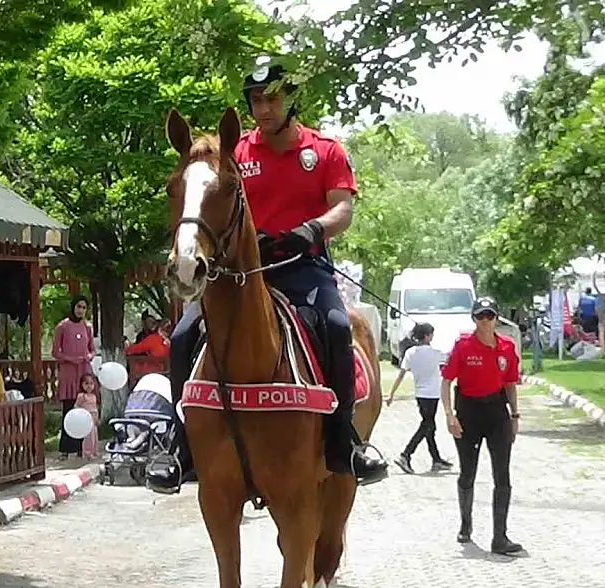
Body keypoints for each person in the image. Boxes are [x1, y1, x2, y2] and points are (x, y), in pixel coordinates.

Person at [147, 60, 389, 493]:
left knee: (336, 327)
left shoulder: (327, 150)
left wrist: (312, 229)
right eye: (256, 101)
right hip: (245, 273)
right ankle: (180, 446)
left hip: (305, 269)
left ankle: (343, 442)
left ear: (291, 100)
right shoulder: (235, 153)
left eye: (272, 98)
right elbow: (208, 191)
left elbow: (344, 209)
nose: (264, 108)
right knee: (183, 335)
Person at [440, 296, 522, 555]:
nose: (485, 321)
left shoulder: (507, 347)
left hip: (497, 412)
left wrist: (515, 415)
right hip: (468, 411)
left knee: (503, 474)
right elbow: (446, 381)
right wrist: (449, 415)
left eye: (490, 316)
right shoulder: (463, 345)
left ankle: (500, 537)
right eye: (480, 316)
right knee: (468, 471)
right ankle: (466, 524)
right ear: (474, 319)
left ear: (497, 318)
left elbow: (510, 383)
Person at [387, 323, 453, 474]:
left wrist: (392, 393)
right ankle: (406, 454)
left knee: (430, 427)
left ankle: (436, 459)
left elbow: (401, 374)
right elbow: (449, 357)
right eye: (431, 334)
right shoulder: (434, 353)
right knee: (427, 426)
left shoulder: (410, 352)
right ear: (427, 336)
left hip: (420, 394)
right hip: (432, 395)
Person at [53, 294, 95, 459]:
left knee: (84, 410)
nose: (81, 310)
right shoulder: (62, 326)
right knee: (69, 409)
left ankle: (81, 448)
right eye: (79, 306)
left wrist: (88, 356)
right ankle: (65, 448)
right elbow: (56, 352)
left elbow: (92, 349)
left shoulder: (87, 327)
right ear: (73, 307)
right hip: (69, 373)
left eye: (84, 308)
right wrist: (71, 359)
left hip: (83, 372)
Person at [75, 373, 101, 460]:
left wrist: (97, 418)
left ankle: (95, 451)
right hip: (86, 419)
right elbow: (76, 406)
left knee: (95, 436)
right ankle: (87, 453)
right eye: (86, 384)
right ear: (82, 385)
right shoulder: (82, 396)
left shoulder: (94, 396)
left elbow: (95, 408)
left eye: (91, 383)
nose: (89, 386)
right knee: (88, 437)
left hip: (94, 418)